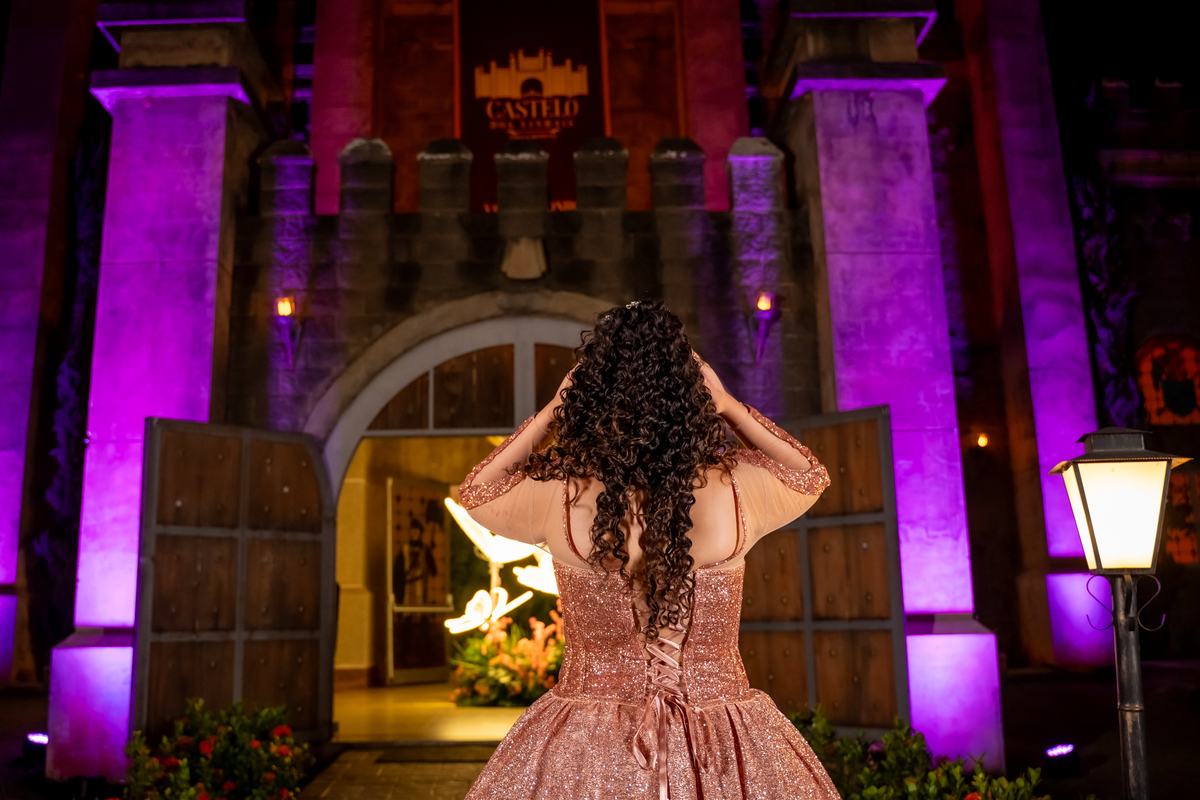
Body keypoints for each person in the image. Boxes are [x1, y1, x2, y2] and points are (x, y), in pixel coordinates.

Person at [458, 302, 840, 800]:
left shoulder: (559, 494)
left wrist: (554, 410)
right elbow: (810, 474)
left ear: (591, 396)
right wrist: (727, 404)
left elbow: (477, 491)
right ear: (690, 395)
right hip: (722, 739)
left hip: (586, 744)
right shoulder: (734, 487)